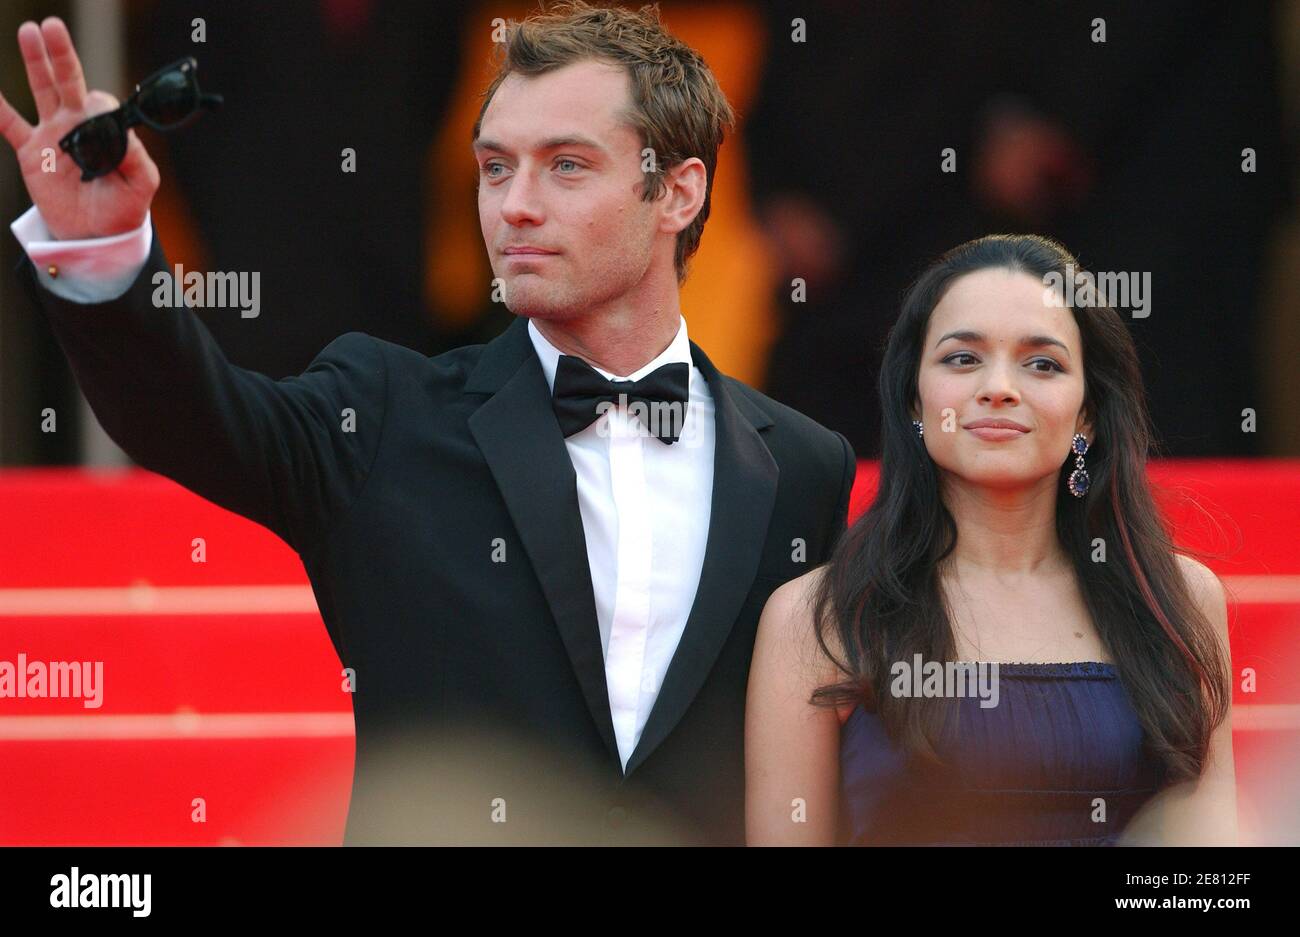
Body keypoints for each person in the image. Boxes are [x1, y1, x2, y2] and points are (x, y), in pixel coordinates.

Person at [0, 5, 855, 845]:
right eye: (494, 168)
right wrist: (104, 256)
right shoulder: (381, 413)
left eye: (564, 166)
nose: (514, 206)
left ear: (677, 191)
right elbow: (191, 416)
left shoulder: (803, 471)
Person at [745, 234, 1237, 846]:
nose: (999, 387)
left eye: (1043, 364)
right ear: (913, 399)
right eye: (962, 359)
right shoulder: (818, 617)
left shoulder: (1177, 600)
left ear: (1088, 413)